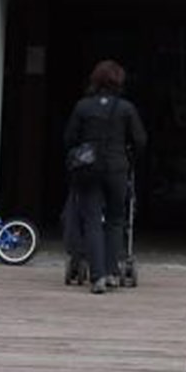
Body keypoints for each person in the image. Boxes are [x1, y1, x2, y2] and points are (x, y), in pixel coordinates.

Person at [63, 59, 148, 295]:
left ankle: (97, 276)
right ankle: (112, 272)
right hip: (117, 168)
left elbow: (69, 138)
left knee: (92, 220)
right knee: (116, 220)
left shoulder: (82, 107)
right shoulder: (126, 109)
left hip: (89, 170)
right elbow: (140, 140)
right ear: (119, 81)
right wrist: (129, 157)